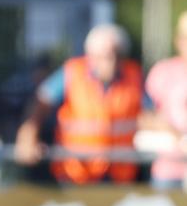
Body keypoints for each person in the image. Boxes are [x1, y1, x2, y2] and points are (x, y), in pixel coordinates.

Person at [14, 24, 145, 184]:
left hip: (119, 173)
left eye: (115, 55)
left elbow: (150, 113)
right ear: (91, 56)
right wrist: (28, 134)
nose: (110, 62)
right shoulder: (72, 72)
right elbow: (40, 102)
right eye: (104, 56)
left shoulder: (134, 76)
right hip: (75, 172)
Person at [145, 11, 187, 190]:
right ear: (178, 40)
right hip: (169, 167)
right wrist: (174, 134)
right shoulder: (163, 71)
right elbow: (145, 115)